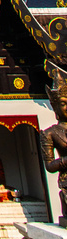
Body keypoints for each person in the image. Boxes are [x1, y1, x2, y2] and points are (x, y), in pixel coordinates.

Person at [41, 66, 67, 225]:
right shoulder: (49, 133)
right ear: (55, 106)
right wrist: (65, 161)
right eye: (63, 103)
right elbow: (50, 166)